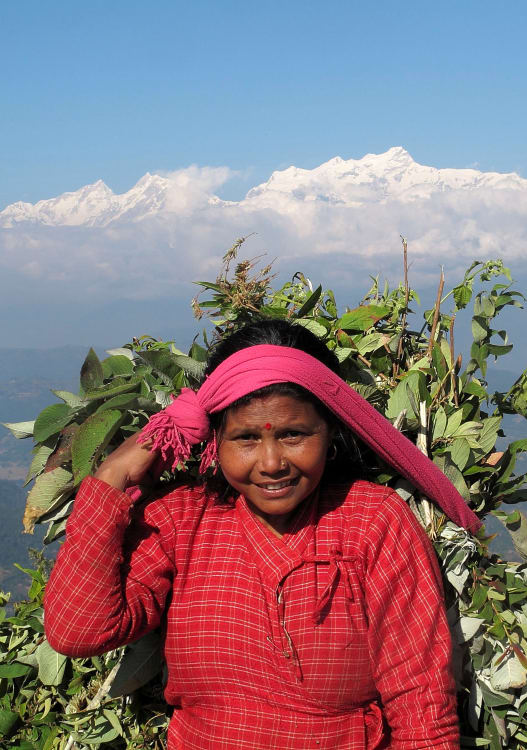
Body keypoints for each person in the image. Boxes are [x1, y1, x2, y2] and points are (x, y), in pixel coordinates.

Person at [44, 320, 481, 749]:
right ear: (214, 439)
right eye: (246, 438)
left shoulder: (373, 522)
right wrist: (113, 474)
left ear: (329, 431)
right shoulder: (183, 521)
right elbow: (79, 632)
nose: (271, 463)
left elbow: (420, 706)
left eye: (294, 435)